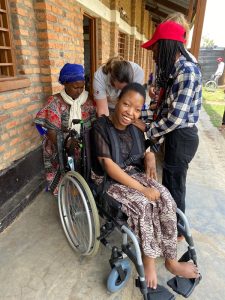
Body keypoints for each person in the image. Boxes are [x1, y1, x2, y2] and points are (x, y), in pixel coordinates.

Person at [91, 82, 199, 289]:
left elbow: (144, 151)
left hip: (134, 174)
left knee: (166, 197)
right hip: (109, 181)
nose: (130, 112)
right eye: (126, 104)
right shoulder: (100, 127)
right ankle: (148, 262)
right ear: (116, 101)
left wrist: (149, 156)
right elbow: (109, 165)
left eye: (137, 109)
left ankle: (171, 261)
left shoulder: (135, 128)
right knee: (144, 205)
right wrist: (142, 190)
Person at [139, 21, 202, 240]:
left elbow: (175, 118)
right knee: (170, 182)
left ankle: (177, 232)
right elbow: (163, 112)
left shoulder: (187, 71)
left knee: (174, 185)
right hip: (174, 134)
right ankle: (171, 224)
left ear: (166, 46)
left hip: (182, 137)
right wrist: (136, 115)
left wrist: (149, 130)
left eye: (155, 49)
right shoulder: (173, 71)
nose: (153, 55)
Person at [35, 63, 96, 195]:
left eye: (82, 86)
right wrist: (66, 143)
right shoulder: (55, 101)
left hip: (83, 139)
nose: (80, 91)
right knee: (66, 157)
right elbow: (51, 131)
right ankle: (64, 188)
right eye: (75, 87)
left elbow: (94, 122)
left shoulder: (88, 100)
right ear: (66, 84)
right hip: (60, 141)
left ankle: (84, 185)